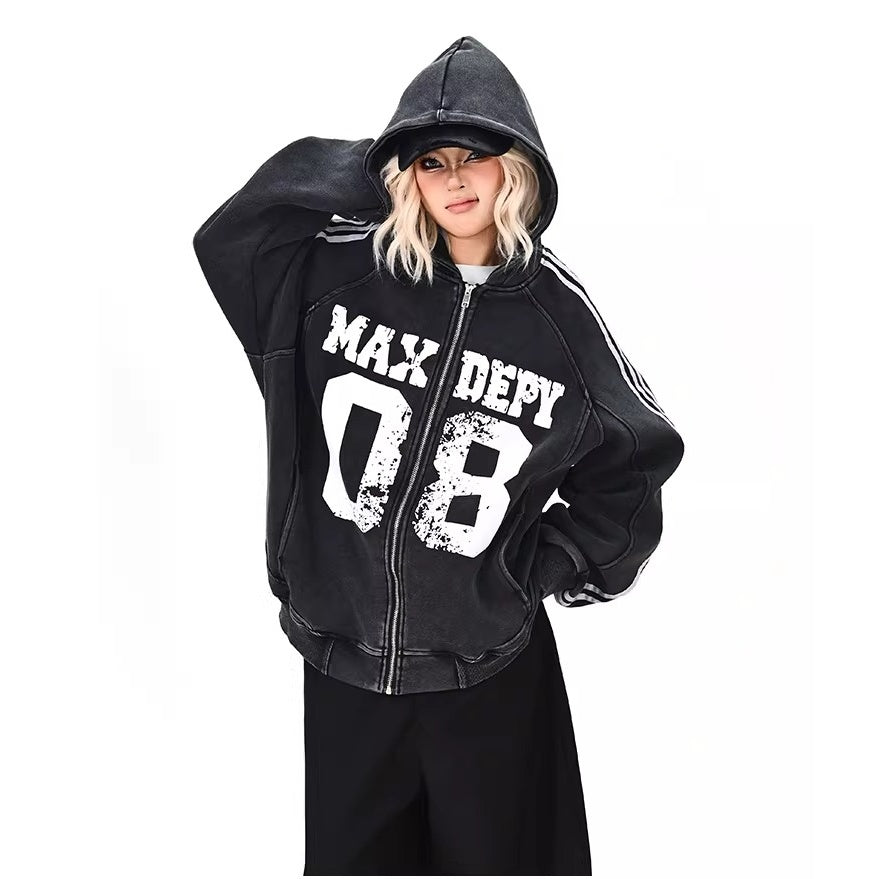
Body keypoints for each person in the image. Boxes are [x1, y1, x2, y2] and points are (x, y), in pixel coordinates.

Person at [193, 34, 684, 876]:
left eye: (474, 156)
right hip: (342, 652)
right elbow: (236, 233)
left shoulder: (558, 318)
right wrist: (381, 160)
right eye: (431, 162)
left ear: (515, 167)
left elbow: (636, 455)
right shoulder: (339, 275)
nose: (454, 179)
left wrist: (551, 562)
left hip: (485, 669)